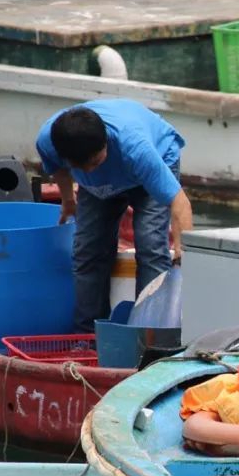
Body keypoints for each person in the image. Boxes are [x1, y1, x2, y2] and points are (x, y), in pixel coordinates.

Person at [35, 99, 193, 332]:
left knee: (150, 246)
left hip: (150, 168)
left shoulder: (136, 148)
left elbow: (180, 202)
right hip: (96, 189)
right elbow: (56, 167)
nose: (91, 170)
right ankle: (87, 335)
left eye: (96, 162)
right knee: (87, 250)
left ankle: (149, 333)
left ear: (106, 143)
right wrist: (68, 200)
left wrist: (182, 253)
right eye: (82, 167)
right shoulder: (49, 140)